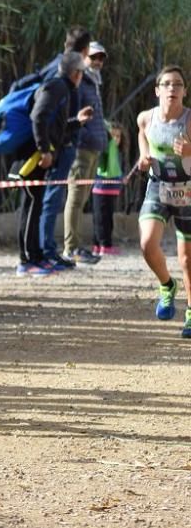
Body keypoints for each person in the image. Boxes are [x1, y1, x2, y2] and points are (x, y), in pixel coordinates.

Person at [13, 52, 93, 276]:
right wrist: (44, 149)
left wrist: (77, 122)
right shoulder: (57, 87)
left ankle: (36, 256)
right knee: (30, 205)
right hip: (31, 158)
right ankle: (25, 260)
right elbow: (38, 117)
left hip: (39, 156)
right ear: (76, 73)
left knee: (36, 204)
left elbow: (55, 127)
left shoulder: (63, 89)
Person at [135, 66, 191, 336]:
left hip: (188, 191)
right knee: (147, 244)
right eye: (167, 84)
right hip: (158, 186)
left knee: (187, 260)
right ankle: (167, 286)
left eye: (178, 84)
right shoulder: (146, 118)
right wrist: (144, 157)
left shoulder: (190, 120)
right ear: (157, 90)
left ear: (184, 91)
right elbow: (142, 135)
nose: (172, 89)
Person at [37, 27, 92, 269]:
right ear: (85, 50)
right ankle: (45, 251)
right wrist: (44, 148)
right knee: (50, 199)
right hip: (57, 146)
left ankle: (45, 250)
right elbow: (40, 114)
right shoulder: (59, 77)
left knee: (51, 198)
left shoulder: (55, 68)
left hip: (63, 139)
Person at [63, 41, 108, 265]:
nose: (98, 61)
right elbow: (75, 116)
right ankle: (71, 248)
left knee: (82, 199)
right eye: (94, 57)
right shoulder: (81, 82)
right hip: (81, 147)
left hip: (94, 147)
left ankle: (77, 246)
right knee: (75, 196)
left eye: (101, 58)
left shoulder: (94, 82)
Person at [92, 121, 124, 255]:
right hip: (101, 188)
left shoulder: (116, 151)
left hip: (110, 189)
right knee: (101, 219)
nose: (116, 139)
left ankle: (98, 245)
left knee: (105, 218)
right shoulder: (106, 147)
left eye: (118, 136)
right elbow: (103, 124)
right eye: (113, 136)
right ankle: (104, 245)